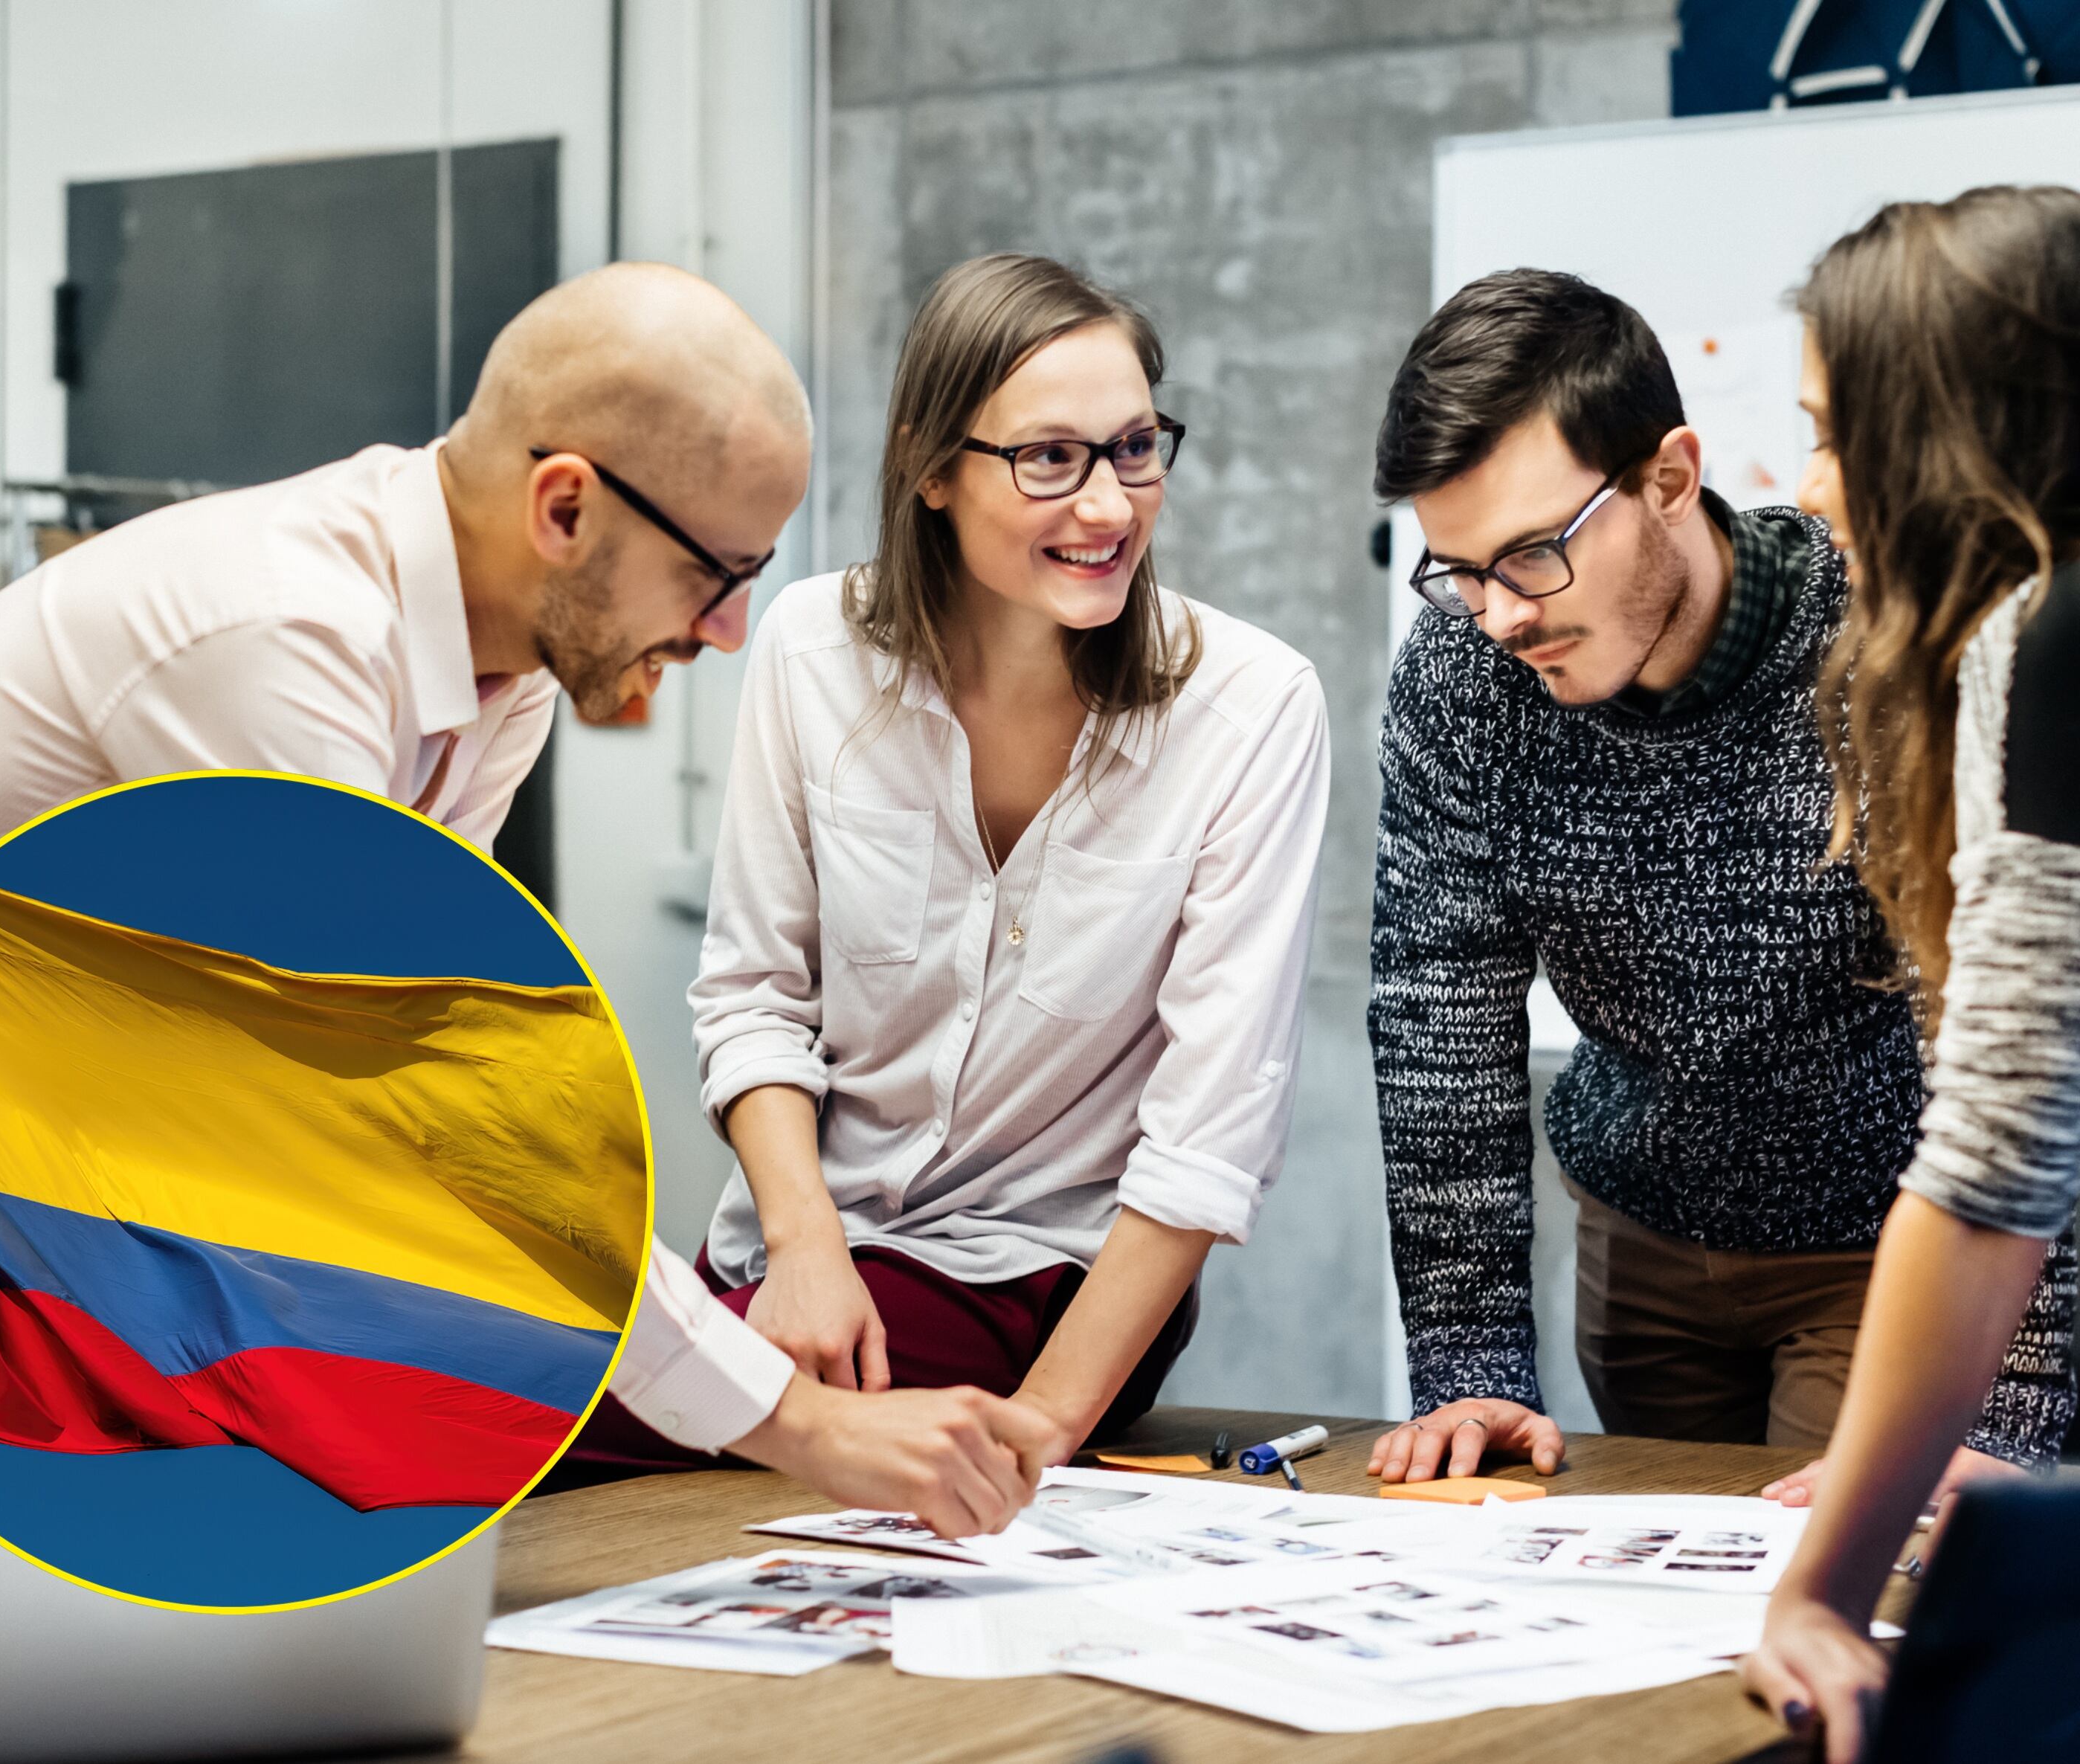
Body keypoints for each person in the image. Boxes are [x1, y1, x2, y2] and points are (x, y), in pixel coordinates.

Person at [0, 263, 1050, 1672]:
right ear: (564, 507)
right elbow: (420, 1119)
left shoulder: (496, 686)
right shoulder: (283, 637)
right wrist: (800, 1423)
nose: (733, 630)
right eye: (720, 573)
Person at [563, 252, 1329, 1483]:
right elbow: (755, 994)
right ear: (931, 468)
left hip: (1037, 1284)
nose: (1109, 505)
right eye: (1049, 459)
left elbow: (1209, 1133)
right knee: (546, 1377)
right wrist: (803, 1245)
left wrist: (1040, 1437)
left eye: (1136, 448)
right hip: (793, 1257)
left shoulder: (1250, 708)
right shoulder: (813, 649)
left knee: (543, 1403)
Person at [1359, 268, 2073, 1491]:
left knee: (1838, 1600)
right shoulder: (1464, 677)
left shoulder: (1882, 644)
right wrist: (1471, 1359)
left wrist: (2009, 1416)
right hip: (1639, 1243)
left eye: (1531, 556)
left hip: (1882, 1246)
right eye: (1458, 569)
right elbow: (1440, 1009)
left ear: (1670, 479)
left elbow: (2022, 1045)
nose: (1496, 618)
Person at [1741, 184, 2080, 1763]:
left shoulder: (2052, 633)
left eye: (1834, 429)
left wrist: (1823, 1585)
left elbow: (1996, 1169)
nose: (1812, 490)